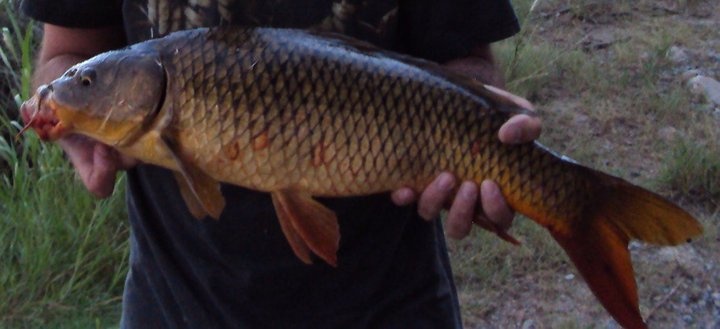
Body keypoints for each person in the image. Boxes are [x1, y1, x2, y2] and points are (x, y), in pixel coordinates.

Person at [22, 0, 541, 328]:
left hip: (388, 298)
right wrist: (77, 115)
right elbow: (65, 54)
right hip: (176, 300)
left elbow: (464, 57)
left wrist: (483, 126)